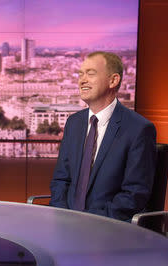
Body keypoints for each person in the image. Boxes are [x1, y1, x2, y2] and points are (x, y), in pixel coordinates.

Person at [50, 51, 156, 221]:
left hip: (109, 230)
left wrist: (90, 221)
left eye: (90, 74)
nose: (82, 80)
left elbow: (134, 195)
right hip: (65, 225)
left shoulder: (139, 129)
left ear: (113, 80)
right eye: (80, 74)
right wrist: (63, 217)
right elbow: (61, 181)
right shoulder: (74, 123)